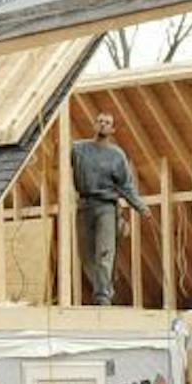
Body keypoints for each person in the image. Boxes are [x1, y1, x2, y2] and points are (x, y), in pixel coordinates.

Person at [70, 112, 146, 305]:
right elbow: (59, 161)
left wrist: (140, 206)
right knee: (86, 255)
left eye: (107, 123)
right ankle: (105, 288)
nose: (103, 124)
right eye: (100, 121)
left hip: (106, 207)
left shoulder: (116, 155)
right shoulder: (78, 149)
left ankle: (102, 296)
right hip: (84, 206)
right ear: (94, 125)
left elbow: (126, 185)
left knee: (104, 252)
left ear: (112, 130)